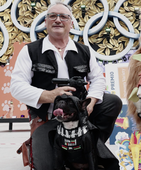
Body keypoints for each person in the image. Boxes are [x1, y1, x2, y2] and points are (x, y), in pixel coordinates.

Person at [10, 1, 122, 169]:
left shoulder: (85, 50)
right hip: (48, 118)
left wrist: (91, 100)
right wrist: (50, 95)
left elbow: (98, 79)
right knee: (48, 166)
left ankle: (88, 144)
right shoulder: (30, 51)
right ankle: (57, 147)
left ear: (71, 23)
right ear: (45, 22)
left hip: (80, 117)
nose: (58, 20)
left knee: (112, 101)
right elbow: (17, 86)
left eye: (63, 16)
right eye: (52, 16)